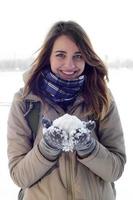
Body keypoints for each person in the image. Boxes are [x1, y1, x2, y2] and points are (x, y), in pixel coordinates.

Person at [7, 20, 126, 200]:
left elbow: (115, 170)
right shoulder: (26, 102)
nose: (70, 65)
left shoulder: (101, 98)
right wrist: (47, 148)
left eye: (78, 56)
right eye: (61, 55)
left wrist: (88, 147)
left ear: (87, 57)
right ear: (49, 57)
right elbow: (19, 176)